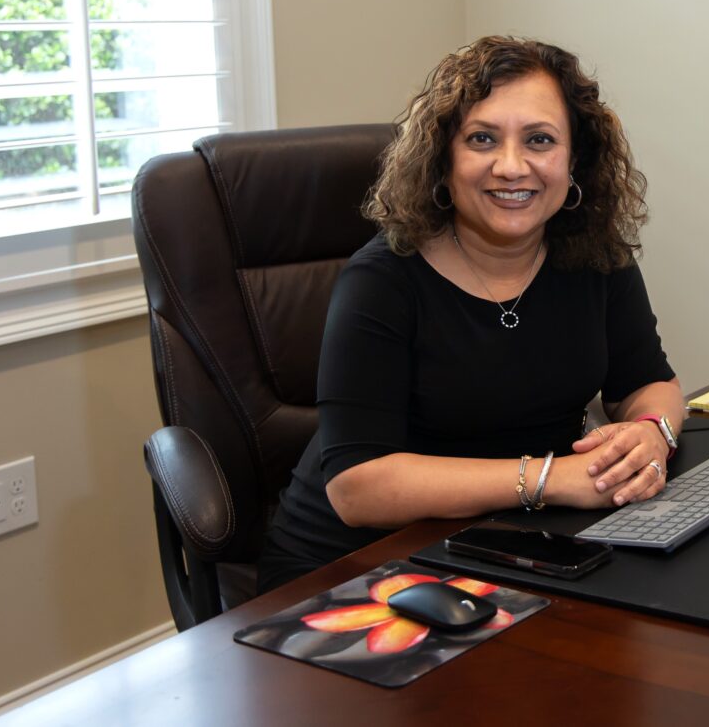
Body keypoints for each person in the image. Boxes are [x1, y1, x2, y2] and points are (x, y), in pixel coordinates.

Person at [257, 37, 684, 589]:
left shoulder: (595, 255)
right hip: (360, 566)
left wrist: (653, 433)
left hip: (514, 545)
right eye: (482, 139)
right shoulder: (383, 280)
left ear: (573, 159)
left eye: (540, 140)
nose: (511, 166)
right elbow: (356, 487)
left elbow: (648, 379)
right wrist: (549, 479)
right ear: (444, 158)